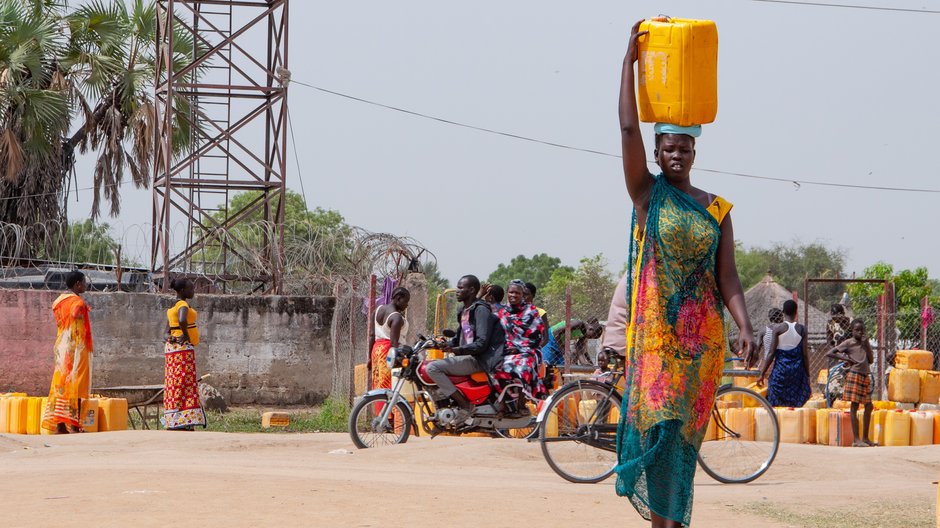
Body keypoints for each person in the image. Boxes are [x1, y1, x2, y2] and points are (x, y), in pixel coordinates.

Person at [614, 21, 756, 528]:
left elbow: (730, 279)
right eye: (669, 147)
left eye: (685, 148)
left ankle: (672, 522)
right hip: (655, 341)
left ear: (695, 152)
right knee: (657, 434)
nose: (677, 154)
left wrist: (743, 326)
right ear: (657, 153)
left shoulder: (716, 209)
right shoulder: (647, 195)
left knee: (681, 443)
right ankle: (663, 524)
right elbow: (628, 129)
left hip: (701, 345)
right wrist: (627, 66)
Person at [426, 275, 506, 422]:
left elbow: (481, 343)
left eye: (461, 288)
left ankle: (464, 405)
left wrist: (456, 350)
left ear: (471, 290)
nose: (457, 291)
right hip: (467, 356)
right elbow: (458, 338)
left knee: (432, 368)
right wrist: (446, 344)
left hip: (478, 359)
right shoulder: (465, 310)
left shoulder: (481, 310)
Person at [41, 271, 93, 434]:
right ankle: (76, 425)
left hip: (61, 346)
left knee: (61, 384)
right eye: (84, 282)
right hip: (76, 347)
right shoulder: (77, 301)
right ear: (77, 284)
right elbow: (74, 315)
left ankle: (60, 425)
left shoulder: (58, 301)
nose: (85, 285)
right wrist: (80, 308)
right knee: (77, 383)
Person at [164, 278, 207, 430]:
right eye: (191, 289)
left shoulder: (172, 308)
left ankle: (173, 419)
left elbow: (165, 332)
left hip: (173, 350)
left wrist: (169, 337)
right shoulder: (182, 305)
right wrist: (187, 335)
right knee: (185, 383)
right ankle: (183, 421)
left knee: (175, 383)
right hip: (183, 351)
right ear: (182, 291)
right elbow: (182, 320)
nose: (193, 291)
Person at [826, 319, 875, 447]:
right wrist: (846, 358)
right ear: (852, 331)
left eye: (862, 330)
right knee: (854, 406)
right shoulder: (848, 343)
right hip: (854, 374)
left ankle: (865, 438)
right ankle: (856, 439)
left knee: (869, 406)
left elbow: (870, 360)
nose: (860, 332)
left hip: (865, 375)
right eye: (857, 330)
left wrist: (867, 345)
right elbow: (830, 353)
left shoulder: (865, 343)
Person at [496, 279, 547, 400]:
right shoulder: (502, 312)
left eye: (517, 293)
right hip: (507, 351)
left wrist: (518, 348)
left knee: (522, 367)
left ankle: (521, 403)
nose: (513, 295)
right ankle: (504, 403)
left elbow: (537, 337)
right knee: (493, 368)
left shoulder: (531, 312)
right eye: (511, 292)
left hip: (528, 351)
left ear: (522, 295)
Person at [758, 300, 811, 408]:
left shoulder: (778, 329)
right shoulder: (802, 329)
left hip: (780, 372)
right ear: (796, 312)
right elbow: (805, 355)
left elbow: (771, 353)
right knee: (795, 404)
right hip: (797, 373)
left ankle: (777, 422)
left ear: (783, 312)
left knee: (776, 403)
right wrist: (807, 375)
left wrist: (762, 373)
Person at [370, 287, 410, 393]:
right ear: (398, 298)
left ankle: (380, 409)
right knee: (389, 387)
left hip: (376, 350)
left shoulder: (377, 310)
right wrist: (403, 359)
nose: (406, 305)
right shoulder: (396, 317)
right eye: (405, 301)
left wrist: (369, 358)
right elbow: (393, 343)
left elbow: (372, 335)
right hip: (389, 352)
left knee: (378, 386)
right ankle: (391, 409)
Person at [524, 282, 550, 348]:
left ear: (533, 296)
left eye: (526, 294)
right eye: (522, 294)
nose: (523, 297)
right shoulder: (515, 312)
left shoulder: (540, 313)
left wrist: (534, 350)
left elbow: (545, 338)